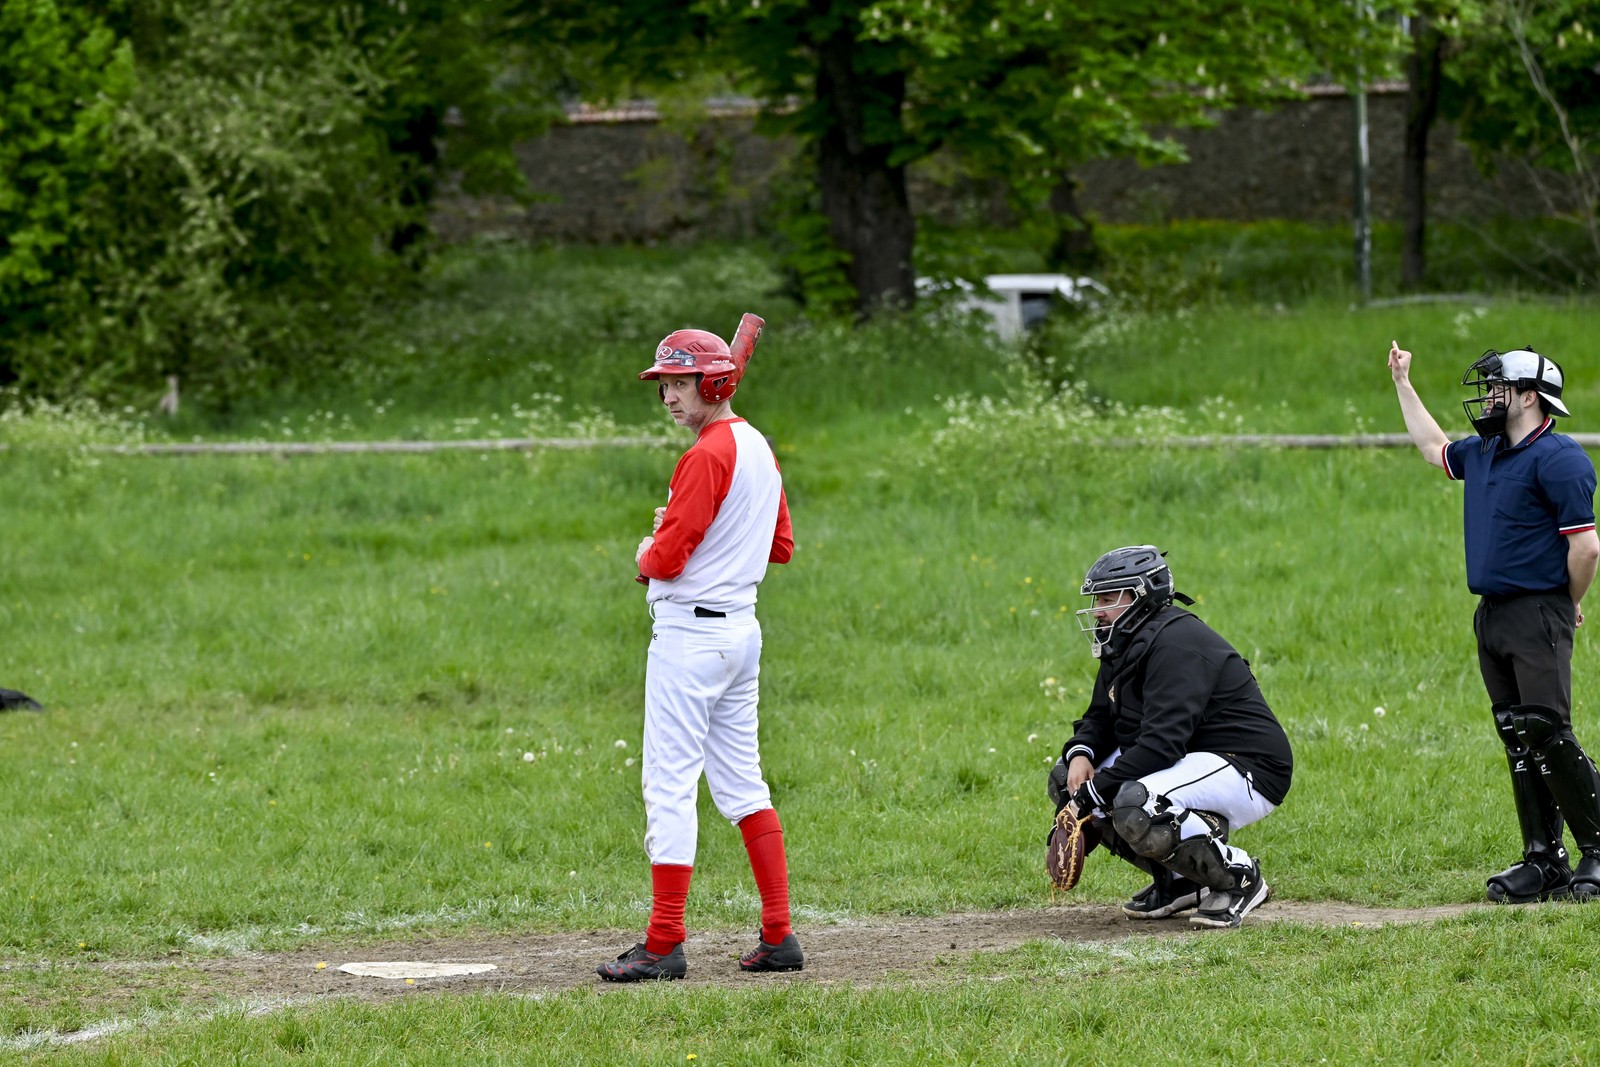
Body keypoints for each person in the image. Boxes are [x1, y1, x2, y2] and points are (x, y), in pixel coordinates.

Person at [597, 324, 801, 981]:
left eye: (681, 383)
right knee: (743, 782)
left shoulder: (707, 454)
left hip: (690, 638)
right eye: (665, 385)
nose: (669, 397)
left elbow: (665, 558)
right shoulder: (757, 448)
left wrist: (649, 545)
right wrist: (701, 531)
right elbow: (779, 545)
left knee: (669, 785)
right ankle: (778, 935)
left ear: (715, 382)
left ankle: (663, 943)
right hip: (740, 634)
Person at [1388, 340, 1600, 903]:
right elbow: (1434, 449)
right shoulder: (1484, 451)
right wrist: (1404, 385)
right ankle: (1544, 861)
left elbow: (1586, 549)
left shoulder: (1561, 459)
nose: (1487, 397)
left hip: (1538, 610)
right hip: (1493, 615)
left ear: (1530, 397)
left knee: (1548, 733)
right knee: (1517, 735)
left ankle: (1597, 850)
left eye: (1498, 387)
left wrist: (1565, 601)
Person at [1049, 546, 1293, 928]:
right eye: (1098, 598)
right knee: (1066, 777)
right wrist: (1081, 758)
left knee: (1136, 802)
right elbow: (1102, 717)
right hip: (1190, 757)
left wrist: (1091, 798)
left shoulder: (1178, 643)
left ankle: (1241, 878)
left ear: (1142, 594)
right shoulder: (1125, 639)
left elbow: (1162, 745)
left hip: (1247, 765)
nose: (1098, 609)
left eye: (1109, 598)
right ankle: (1182, 881)